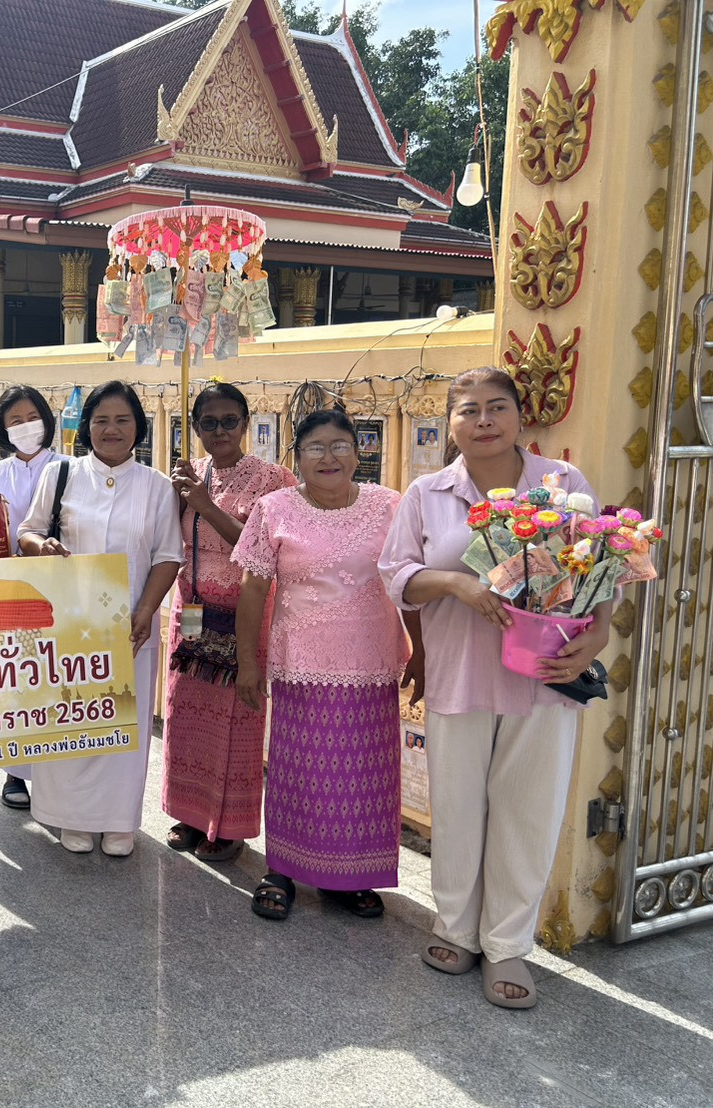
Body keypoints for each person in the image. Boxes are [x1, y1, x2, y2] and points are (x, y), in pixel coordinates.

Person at [379, 367, 611, 1010]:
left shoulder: (563, 486)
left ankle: (508, 946)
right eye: (469, 410)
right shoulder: (429, 493)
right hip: (460, 670)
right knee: (456, 805)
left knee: (527, 809)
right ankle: (455, 926)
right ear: (450, 422)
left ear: (519, 415)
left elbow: (601, 572)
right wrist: (456, 585)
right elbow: (395, 575)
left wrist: (598, 637)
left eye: (497, 407)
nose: (484, 420)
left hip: (544, 674)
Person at [232, 409, 419, 922]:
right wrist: (248, 664)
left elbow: (409, 583)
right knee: (299, 771)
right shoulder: (273, 509)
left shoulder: (389, 505)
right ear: (298, 457)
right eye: (316, 447)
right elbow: (254, 590)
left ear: (359, 453)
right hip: (301, 665)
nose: (329, 456)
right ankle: (283, 871)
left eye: (341, 445)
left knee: (364, 773)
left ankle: (352, 876)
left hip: (372, 660)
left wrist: (420, 650)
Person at [18, 380, 182, 857]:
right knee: (71, 716)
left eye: (123, 420)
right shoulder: (61, 474)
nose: (112, 429)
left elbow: (168, 555)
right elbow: (27, 531)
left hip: (130, 624)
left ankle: (118, 822)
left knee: (123, 724)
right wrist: (41, 545)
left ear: (139, 427)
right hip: (69, 620)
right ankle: (70, 816)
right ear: (86, 427)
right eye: (102, 420)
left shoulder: (157, 486)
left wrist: (146, 611)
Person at [162, 383, 295, 862]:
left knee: (236, 715)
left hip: (244, 615)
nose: (219, 431)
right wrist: (183, 498)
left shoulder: (272, 480)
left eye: (229, 421)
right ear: (194, 428)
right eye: (208, 423)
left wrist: (206, 506)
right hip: (192, 612)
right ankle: (189, 814)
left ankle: (230, 826)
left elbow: (265, 550)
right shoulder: (186, 473)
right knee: (187, 710)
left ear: (245, 423)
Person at [0, 384, 60, 809]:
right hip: (8, 591)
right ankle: (15, 772)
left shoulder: (68, 468)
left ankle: (52, 771)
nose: (25, 427)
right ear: (2, 429)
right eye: (14, 421)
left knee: (52, 680)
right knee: (15, 680)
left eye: (32, 417)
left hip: (57, 589)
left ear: (46, 420)